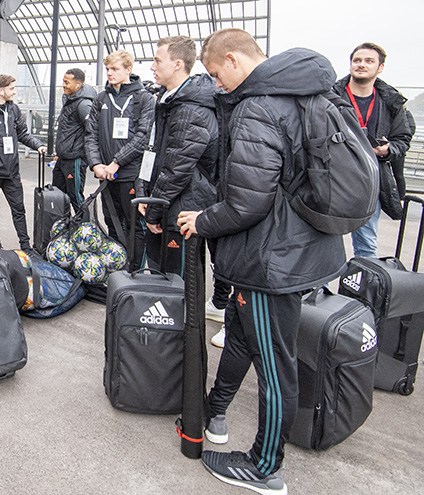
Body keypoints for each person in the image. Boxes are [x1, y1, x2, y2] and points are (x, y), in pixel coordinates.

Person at [176, 29, 347, 495]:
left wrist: (203, 220)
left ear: (233, 60)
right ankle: (214, 409)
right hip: (302, 245)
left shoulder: (260, 106)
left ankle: (266, 467)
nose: (216, 85)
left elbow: (247, 203)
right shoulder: (309, 92)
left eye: (216, 74)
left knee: (274, 367)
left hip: (272, 259)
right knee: (242, 334)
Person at [140, 36, 218, 277]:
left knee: (178, 283)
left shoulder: (189, 109)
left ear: (178, 64)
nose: (152, 67)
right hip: (168, 206)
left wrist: (154, 210)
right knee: (161, 277)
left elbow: (176, 169)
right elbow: (154, 151)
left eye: (157, 60)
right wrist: (144, 190)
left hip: (182, 211)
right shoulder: (169, 101)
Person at [332, 42, 413, 258]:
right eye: (357, 60)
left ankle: (365, 280)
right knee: (325, 244)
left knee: (366, 245)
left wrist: (387, 149)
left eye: (369, 61)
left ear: (380, 67)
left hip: (370, 180)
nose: (361, 64)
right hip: (333, 179)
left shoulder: (391, 102)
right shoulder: (330, 96)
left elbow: (403, 139)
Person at [85, 50, 155, 271]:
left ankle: (134, 272)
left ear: (128, 69)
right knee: (112, 222)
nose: (109, 73)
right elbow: (91, 134)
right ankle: (117, 269)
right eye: (107, 69)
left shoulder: (143, 99)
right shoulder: (101, 99)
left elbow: (143, 136)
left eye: (114, 69)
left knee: (134, 225)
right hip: (106, 174)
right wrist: (96, 164)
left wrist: (117, 162)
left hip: (131, 174)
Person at [0, 74, 46, 250]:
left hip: (12, 171)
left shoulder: (14, 109)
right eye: (11, 88)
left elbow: (23, 134)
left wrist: (38, 145)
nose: (14, 92)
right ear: (1, 91)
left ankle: (25, 246)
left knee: (19, 209)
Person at [54, 69, 97, 211]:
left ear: (78, 84)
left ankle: (84, 224)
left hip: (75, 159)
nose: (63, 85)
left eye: (67, 82)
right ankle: (64, 223)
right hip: (63, 158)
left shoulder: (83, 104)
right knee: (58, 195)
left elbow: (93, 130)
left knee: (75, 196)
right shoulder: (69, 100)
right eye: (63, 81)